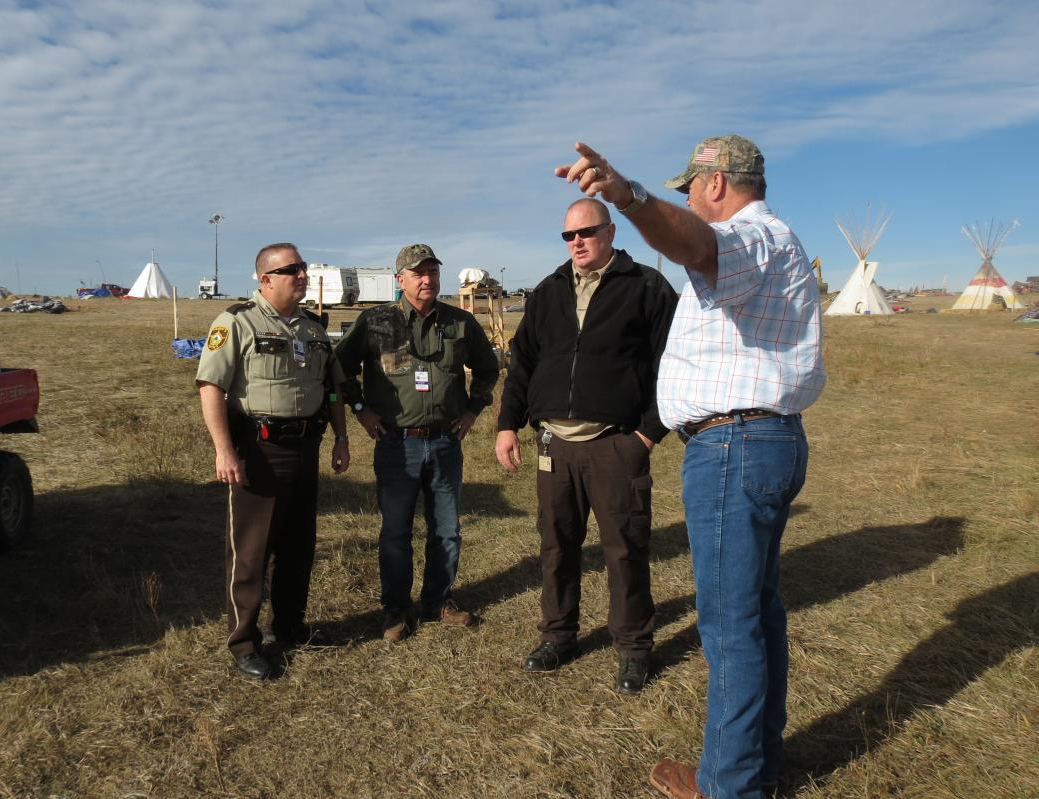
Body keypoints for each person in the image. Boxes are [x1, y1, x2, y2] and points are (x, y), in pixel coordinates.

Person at [556, 137, 826, 798]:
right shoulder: (773, 244)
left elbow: (696, 245)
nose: (683, 200)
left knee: (730, 627)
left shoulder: (748, 237)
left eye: (688, 187)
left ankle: (728, 784)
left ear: (715, 184)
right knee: (758, 613)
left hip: (735, 446)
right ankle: (756, 763)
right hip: (760, 440)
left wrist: (629, 195)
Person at [494, 199, 678, 694]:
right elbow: (523, 360)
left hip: (614, 444)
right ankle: (558, 635)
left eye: (587, 232)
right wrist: (508, 424)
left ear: (611, 231)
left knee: (624, 549)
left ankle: (634, 647)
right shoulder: (549, 291)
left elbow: (673, 361)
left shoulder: (646, 287)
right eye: (569, 235)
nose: (577, 241)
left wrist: (646, 434)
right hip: (555, 443)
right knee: (557, 546)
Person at [196, 242, 350, 681]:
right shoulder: (236, 322)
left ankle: (289, 626)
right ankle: (244, 642)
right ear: (266, 279)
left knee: (298, 544)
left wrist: (340, 438)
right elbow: (211, 386)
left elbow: (334, 388)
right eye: (292, 270)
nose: (302, 274)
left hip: (306, 449)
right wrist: (224, 450)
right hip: (259, 452)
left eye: (303, 267)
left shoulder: (314, 330)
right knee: (251, 551)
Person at [335, 244, 500, 642]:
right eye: (418, 273)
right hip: (396, 444)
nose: (427, 279)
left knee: (446, 528)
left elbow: (488, 368)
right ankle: (395, 607)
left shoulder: (460, 323)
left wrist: (473, 410)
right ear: (400, 280)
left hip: (445, 442)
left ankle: (437, 600)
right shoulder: (377, 321)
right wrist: (361, 409)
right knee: (396, 530)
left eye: (432, 272)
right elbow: (339, 367)